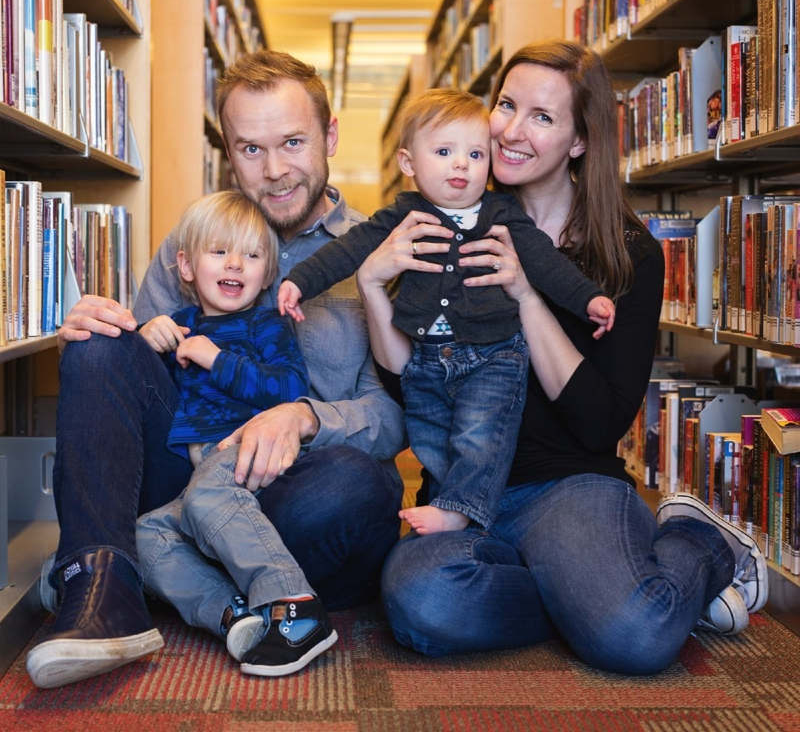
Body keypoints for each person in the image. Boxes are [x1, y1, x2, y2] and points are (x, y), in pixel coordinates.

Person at [357, 39, 768, 675]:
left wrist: (524, 293)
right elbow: (405, 383)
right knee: (423, 602)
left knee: (634, 636)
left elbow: (600, 423)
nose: (510, 133)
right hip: (465, 491)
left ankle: (698, 542)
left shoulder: (629, 255)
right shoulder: (448, 219)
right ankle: (585, 597)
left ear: (579, 141)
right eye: (506, 106)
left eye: (542, 118)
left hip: (568, 487)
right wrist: (372, 284)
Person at [26, 50, 406, 690]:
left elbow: (398, 417)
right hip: (195, 465)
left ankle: (145, 563)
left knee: (358, 487)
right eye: (251, 150)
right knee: (101, 344)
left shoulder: (381, 252)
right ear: (228, 153)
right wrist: (97, 343)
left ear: (331, 135)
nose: (276, 170)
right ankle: (105, 588)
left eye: (293, 142)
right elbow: (141, 382)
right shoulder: (192, 241)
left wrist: (305, 416)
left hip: (301, 488)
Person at [279, 88, 615, 536]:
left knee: (479, 437)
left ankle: (460, 511)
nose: (462, 164)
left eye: (476, 154)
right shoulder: (401, 215)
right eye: (444, 151)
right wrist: (299, 282)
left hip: (493, 354)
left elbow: (545, 261)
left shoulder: (501, 212)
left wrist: (587, 297)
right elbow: (347, 251)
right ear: (408, 163)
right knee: (431, 440)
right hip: (425, 360)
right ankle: (457, 505)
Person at [135, 190, 337, 677]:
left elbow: (288, 389)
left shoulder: (266, 325)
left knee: (206, 497)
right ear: (185, 266)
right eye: (220, 251)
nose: (236, 264)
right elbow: (141, 394)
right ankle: (235, 616)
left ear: (267, 274)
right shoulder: (178, 326)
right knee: (148, 535)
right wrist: (143, 342)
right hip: (201, 472)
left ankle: (294, 606)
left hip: (249, 451)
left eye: (251, 255)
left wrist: (215, 358)